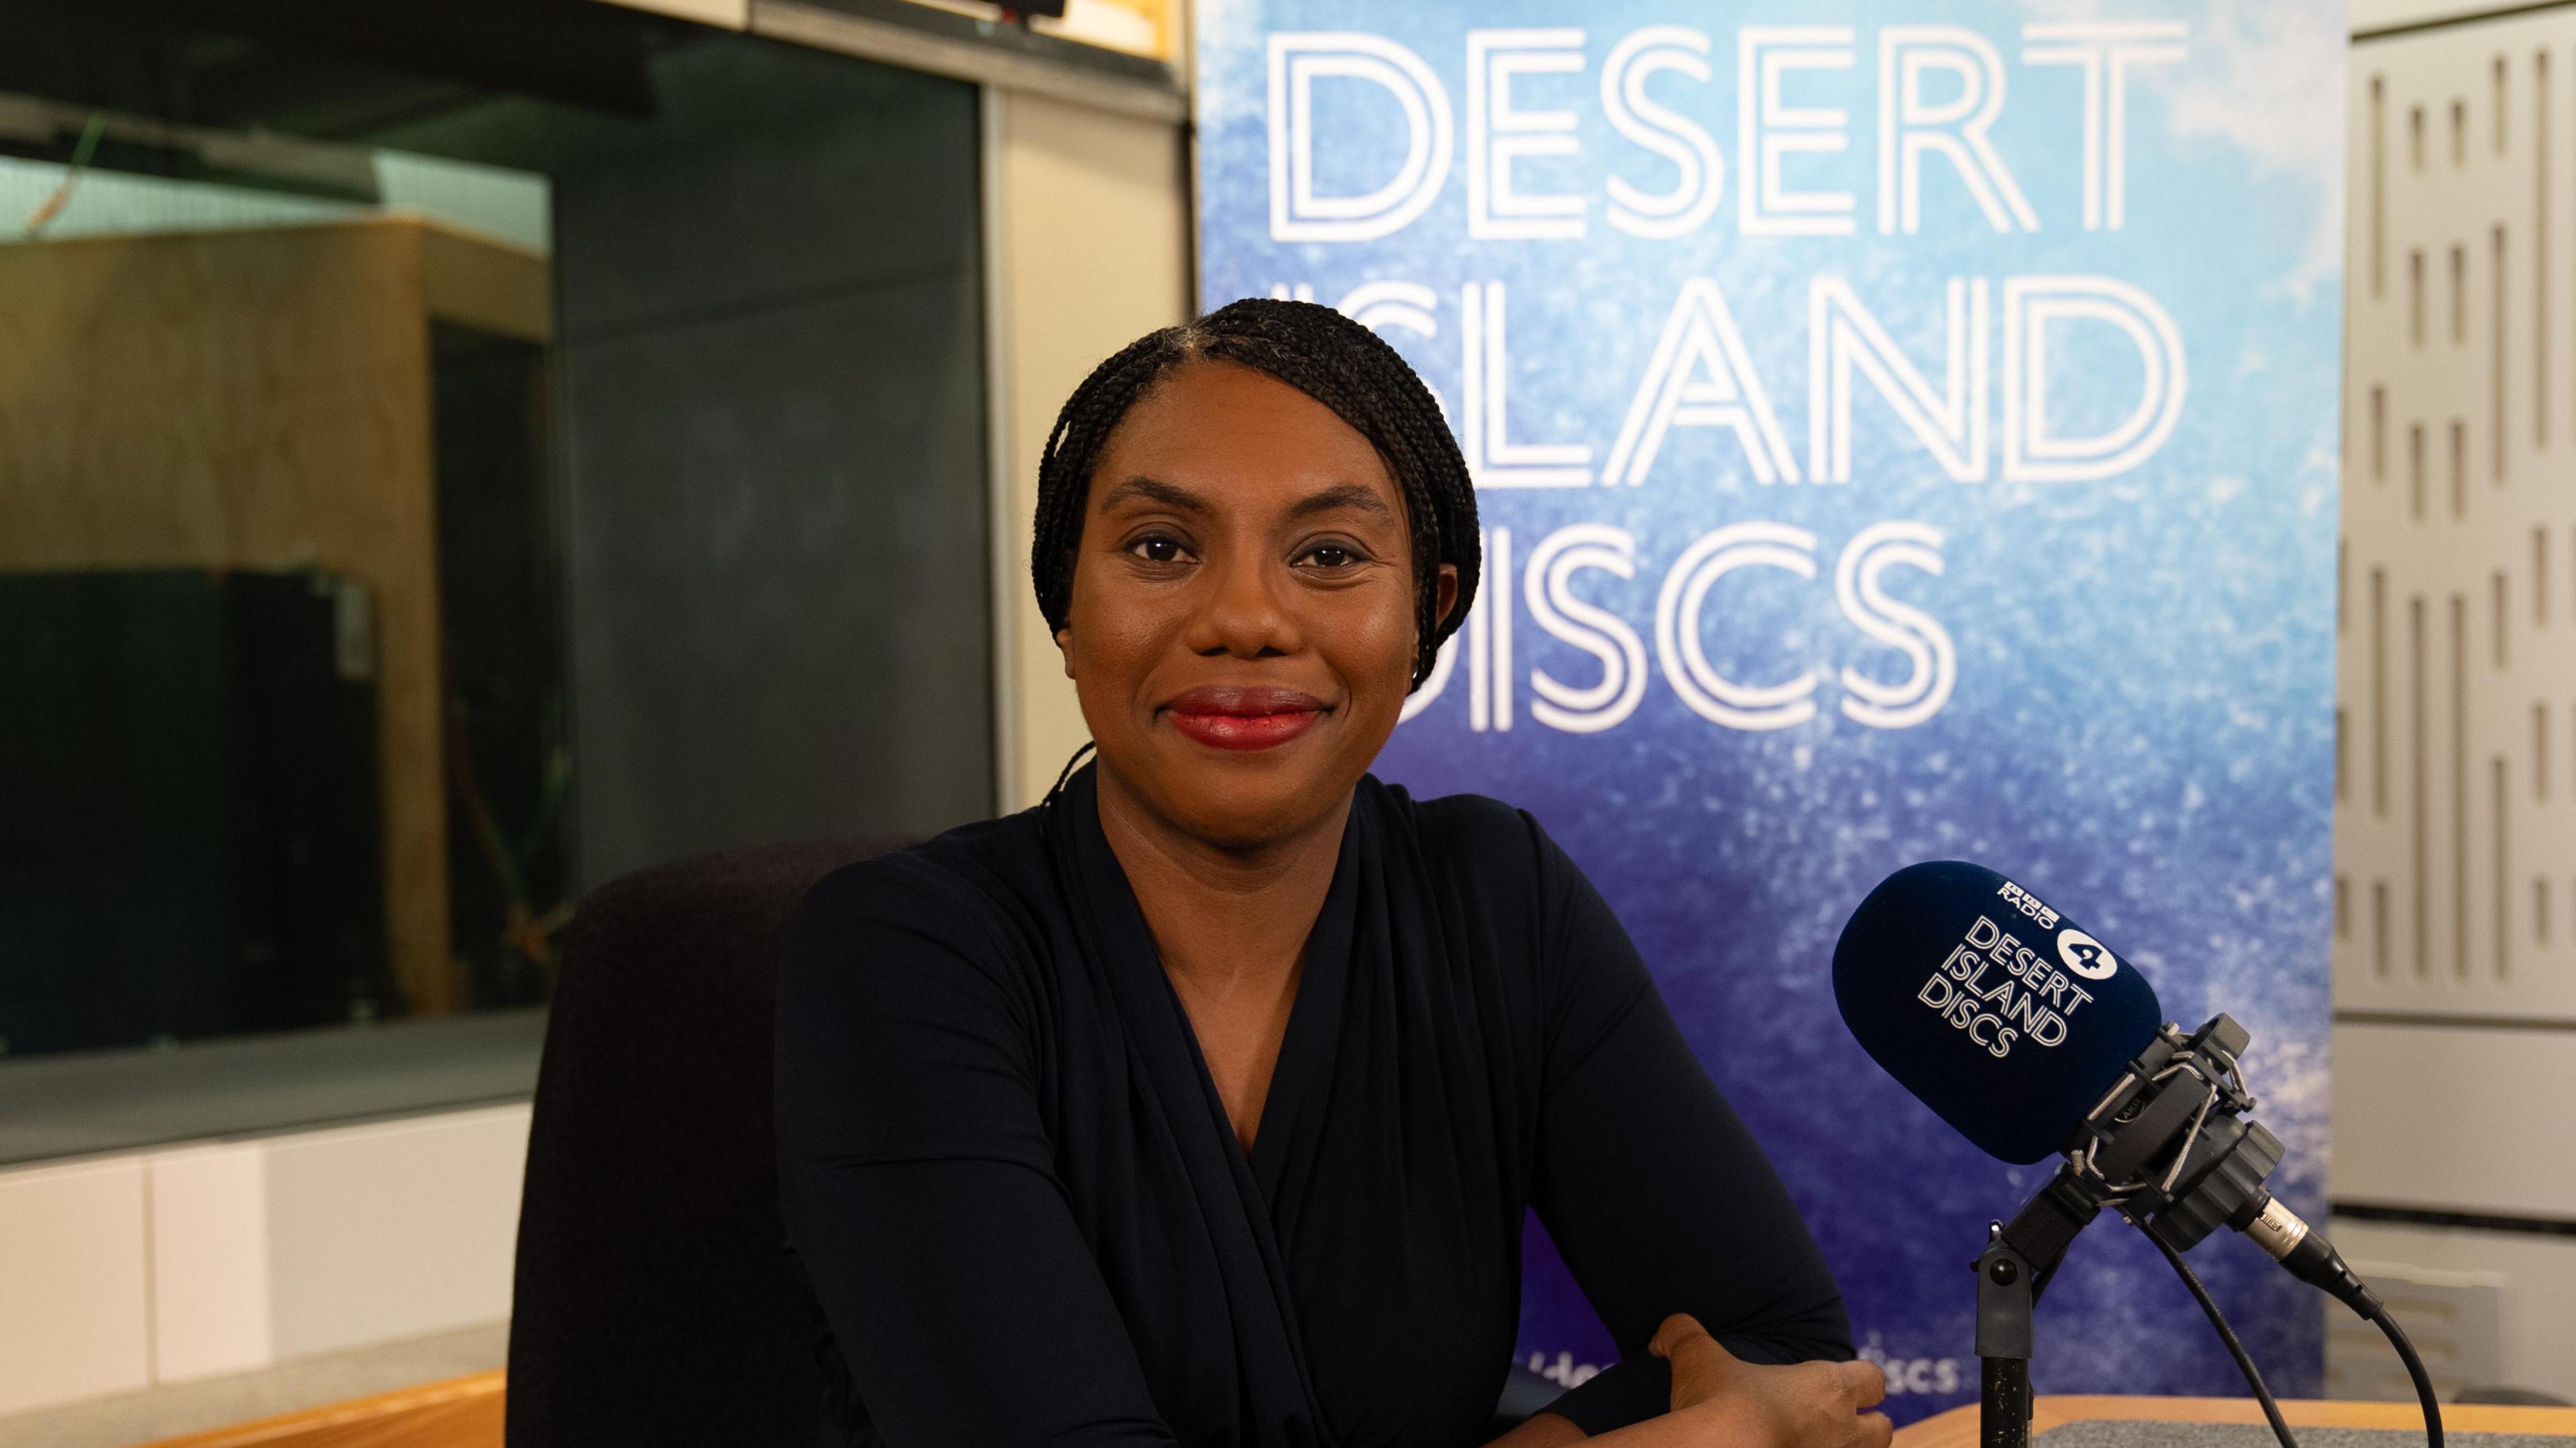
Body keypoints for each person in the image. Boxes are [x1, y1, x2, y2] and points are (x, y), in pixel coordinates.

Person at [775, 298, 1890, 1448]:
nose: (1247, 618)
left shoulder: (1495, 899)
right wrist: (1696, 1440)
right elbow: (1759, 1411)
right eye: (1161, 548)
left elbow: (1775, 1342)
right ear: (1066, 607)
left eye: (1329, 555)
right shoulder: (898, 959)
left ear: (1429, 614)